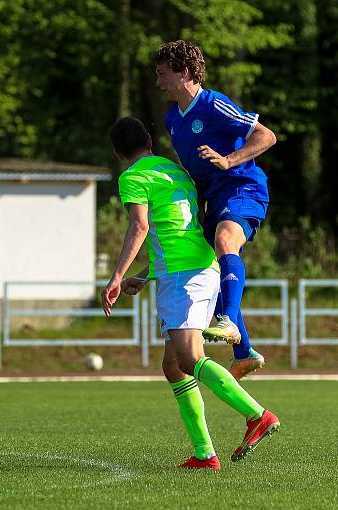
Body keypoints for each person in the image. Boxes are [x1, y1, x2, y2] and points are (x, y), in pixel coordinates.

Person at [102, 116, 279, 469]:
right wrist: (146, 274)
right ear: (149, 140)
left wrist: (117, 276)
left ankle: (257, 415)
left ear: (117, 152)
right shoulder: (174, 170)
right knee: (173, 366)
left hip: (185, 277)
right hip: (193, 267)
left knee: (189, 360)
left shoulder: (133, 176)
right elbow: (176, 230)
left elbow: (141, 226)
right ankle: (204, 454)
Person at [155, 40, 277, 380]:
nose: (158, 81)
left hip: (243, 187)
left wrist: (228, 160)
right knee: (210, 269)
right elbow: (197, 172)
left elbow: (266, 137)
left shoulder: (214, 104)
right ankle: (244, 352)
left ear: (186, 73)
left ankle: (227, 323)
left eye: (163, 73)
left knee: (226, 241)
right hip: (213, 199)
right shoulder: (172, 119)